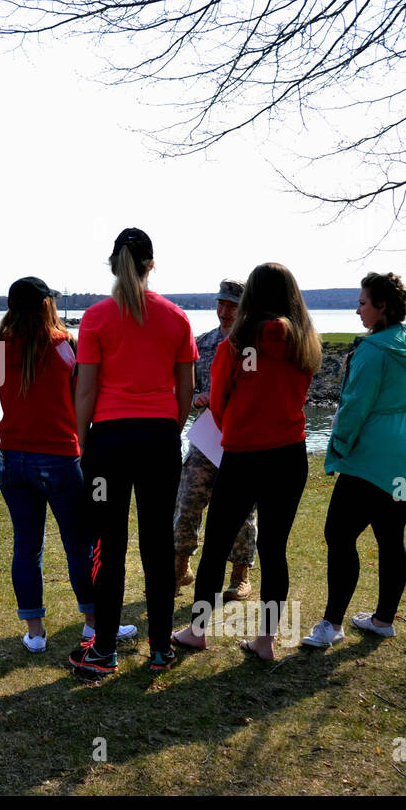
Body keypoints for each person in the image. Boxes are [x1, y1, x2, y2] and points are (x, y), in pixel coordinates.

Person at [173, 262, 321, 661]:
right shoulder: (306, 344)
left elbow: (219, 405)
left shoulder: (235, 346)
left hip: (243, 456)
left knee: (217, 543)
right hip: (290, 455)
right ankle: (266, 641)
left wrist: (242, 423)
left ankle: (197, 630)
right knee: (275, 549)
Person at [68, 228, 198, 677]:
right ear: (151, 265)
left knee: (107, 541)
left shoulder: (97, 318)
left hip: (109, 441)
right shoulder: (177, 318)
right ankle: (160, 648)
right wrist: (169, 428)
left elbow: (85, 390)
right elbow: (188, 388)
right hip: (158, 438)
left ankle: (104, 650)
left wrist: (85, 444)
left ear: (113, 264)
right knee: (157, 542)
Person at [0, 276, 139, 654]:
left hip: (10, 457)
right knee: (79, 546)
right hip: (57, 457)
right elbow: (81, 399)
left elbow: (10, 392)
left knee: (26, 546)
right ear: (46, 306)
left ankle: (36, 633)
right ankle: (93, 624)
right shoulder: (64, 346)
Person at [302, 273, 406, 648]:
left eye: (363, 302)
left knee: (339, 533)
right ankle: (382, 620)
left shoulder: (373, 349)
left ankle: (331, 624)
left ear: (382, 307)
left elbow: (355, 405)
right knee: (391, 537)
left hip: (373, 455)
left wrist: (338, 448)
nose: (357, 308)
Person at [173, 277, 258, 600]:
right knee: (187, 500)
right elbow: (185, 385)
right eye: (221, 303)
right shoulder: (203, 343)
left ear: (244, 308)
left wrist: (222, 397)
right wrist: (197, 396)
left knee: (243, 509)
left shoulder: (251, 345)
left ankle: (240, 575)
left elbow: (254, 390)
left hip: (242, 441)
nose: (224, 310)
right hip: (206, 439)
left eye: (232, 305)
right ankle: (180, 568)